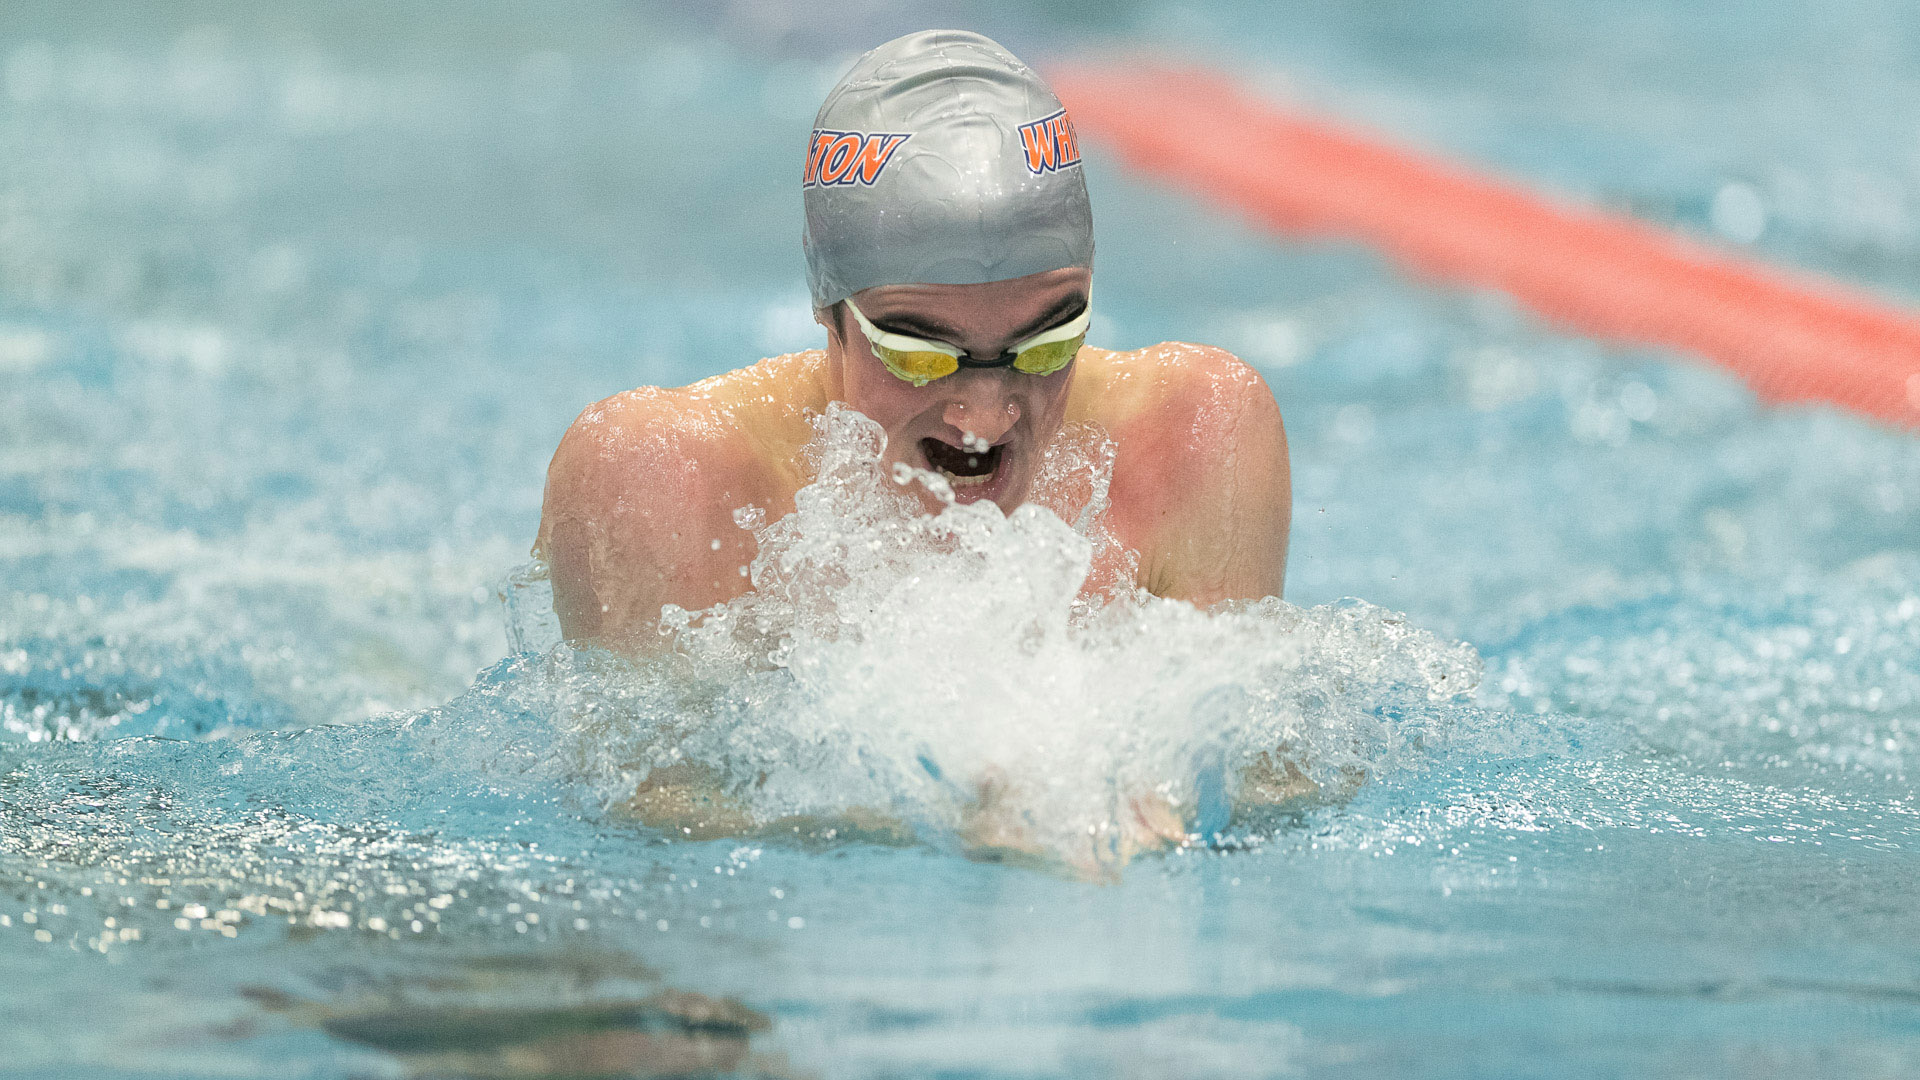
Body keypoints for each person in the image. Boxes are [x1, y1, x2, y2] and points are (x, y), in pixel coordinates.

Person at [536, 30, 1290, 655]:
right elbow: (659, 816)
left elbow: (1256, 782)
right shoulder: (660, 478)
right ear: (830, 315)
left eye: (1048, 342)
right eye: (919, 354)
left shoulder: (1196, 435)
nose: (987, 419)